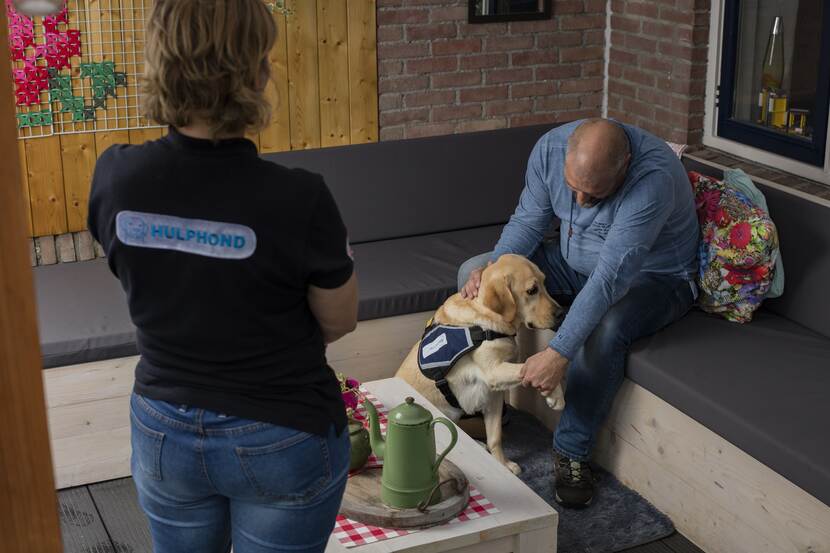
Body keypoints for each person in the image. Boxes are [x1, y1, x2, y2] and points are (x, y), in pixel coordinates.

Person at [86, 1, 358, 551]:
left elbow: (139, 274)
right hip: (281, 433)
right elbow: (339, 319)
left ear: (161, 64)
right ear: (254, 74)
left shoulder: (117, 178)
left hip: (164, 431)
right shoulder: (300, 198)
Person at [459, 118, 699, 508]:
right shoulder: (550, 150)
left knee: (606, 326)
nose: (582, 203)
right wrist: (493, 269)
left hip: (655, 279)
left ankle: (572, 451)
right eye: (574, 190)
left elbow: (609, 281)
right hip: (574, 264)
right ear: (566, 157)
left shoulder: (653, 180)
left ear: (624, 167)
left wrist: (558, 354)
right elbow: (528, 222)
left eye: (595, 195)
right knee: (473, 271)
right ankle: (488, 401)